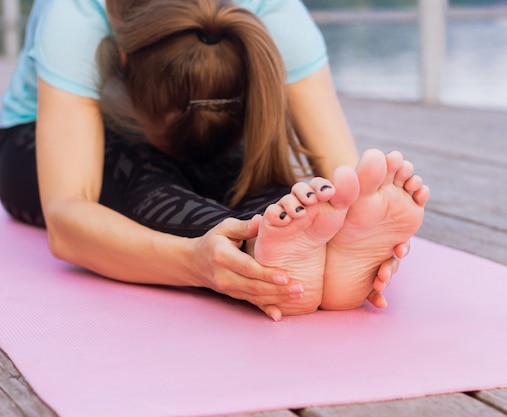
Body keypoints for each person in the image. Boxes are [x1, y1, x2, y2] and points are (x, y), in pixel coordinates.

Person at [0, 0, 429, 320]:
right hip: (34, 144)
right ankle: (251, 249)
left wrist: (347, 222)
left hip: (213, 140)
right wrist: (195, 263)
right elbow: (68, 215)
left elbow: (344, 178)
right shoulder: (76, 13)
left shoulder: (274, 10)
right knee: (141, 173)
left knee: (282, 195)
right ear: (126, 62)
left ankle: (299, 252)